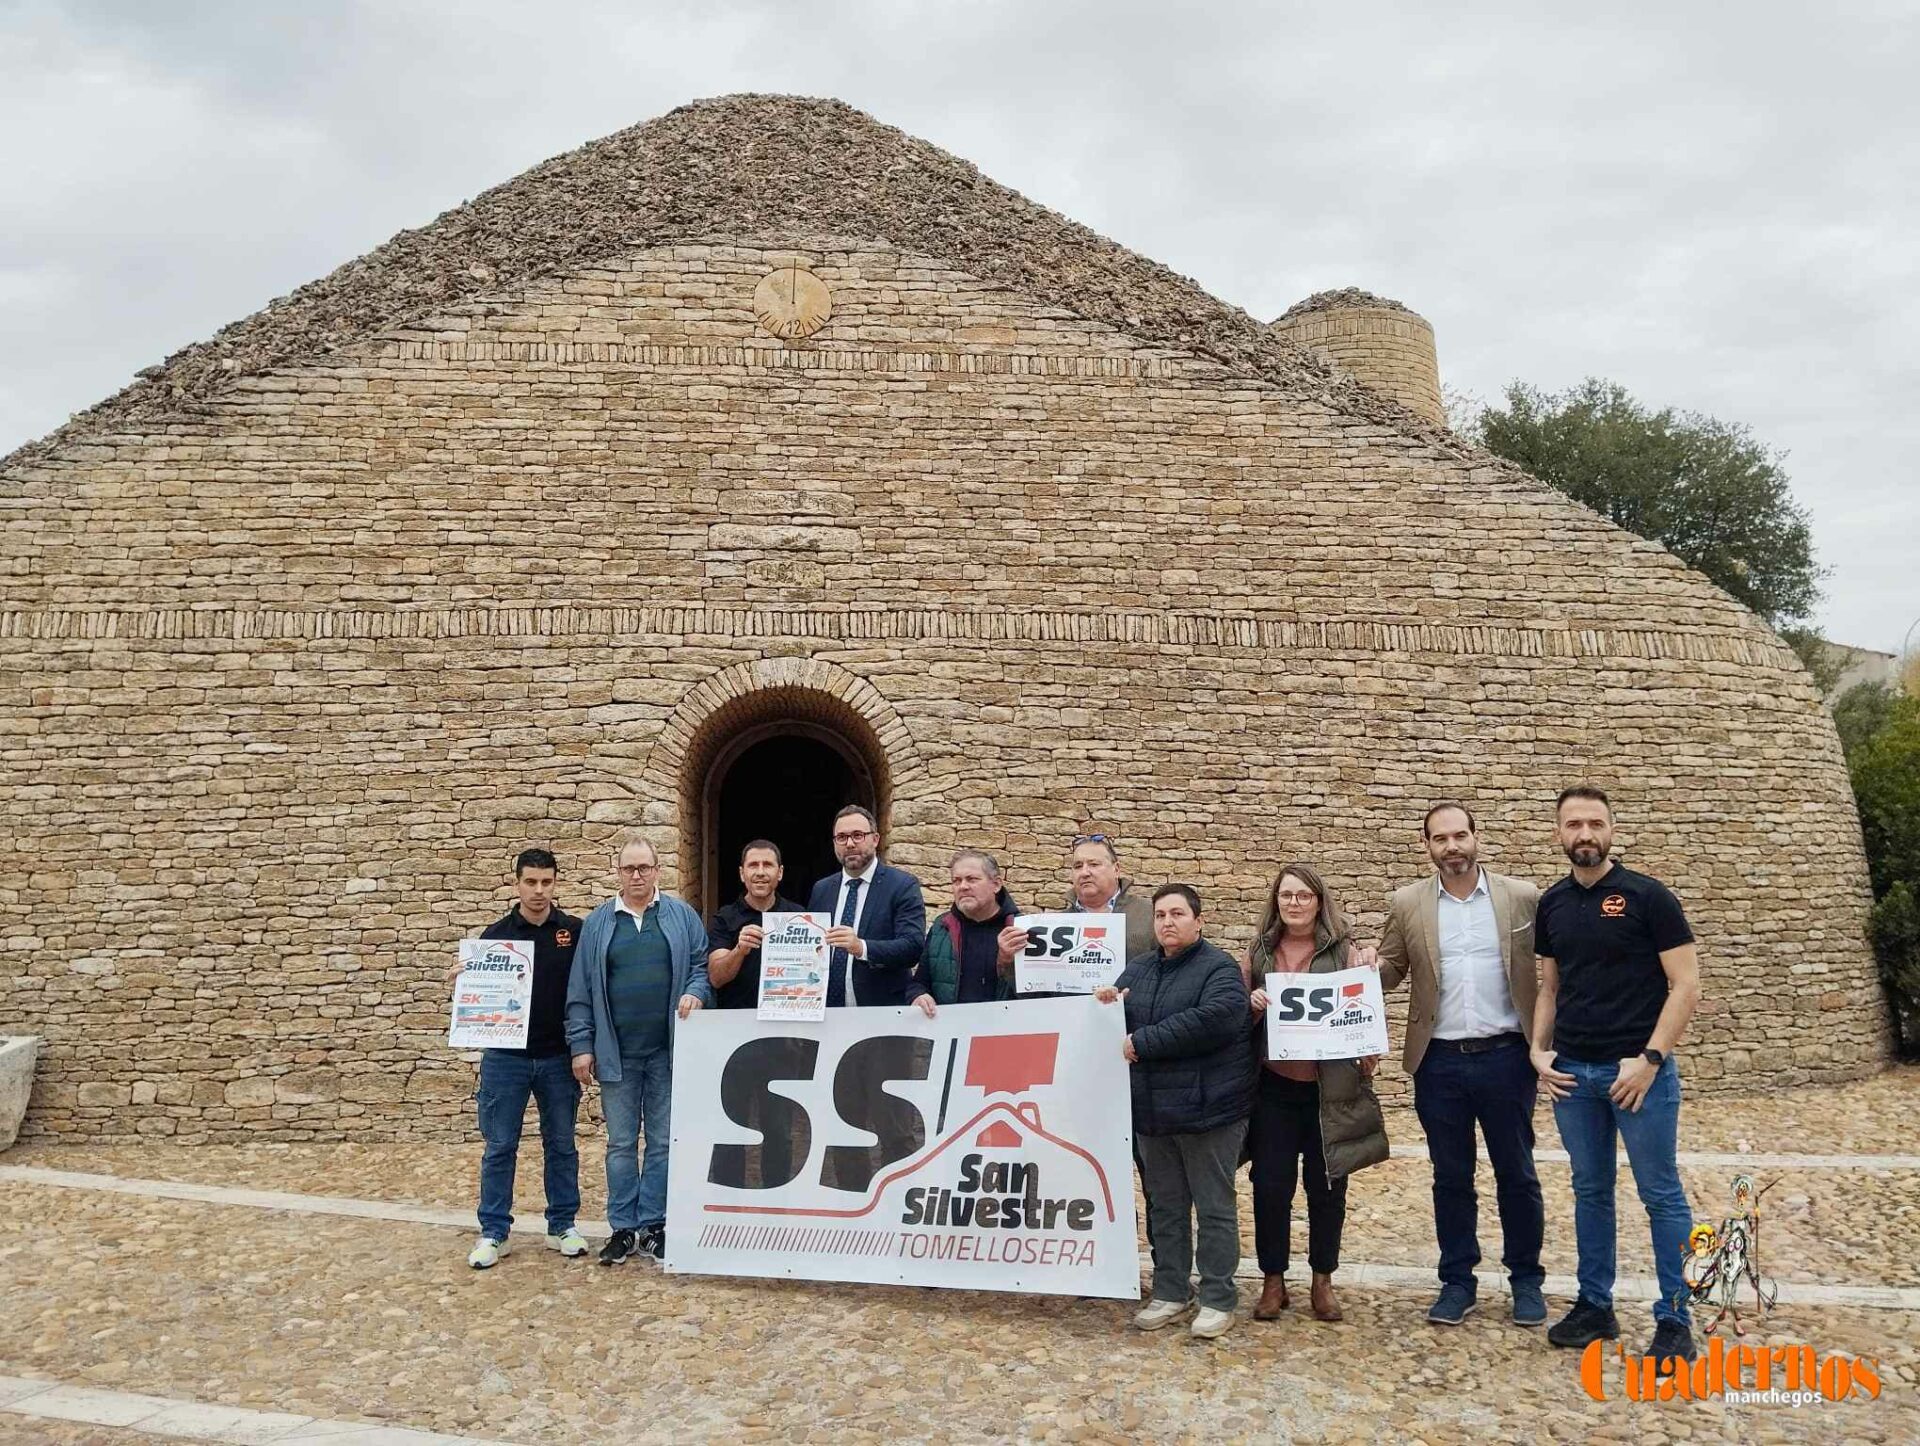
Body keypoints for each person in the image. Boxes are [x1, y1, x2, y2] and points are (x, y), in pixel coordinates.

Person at [1531, 786, 1701, 1374]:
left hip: (1639, 1074)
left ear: (1610, 829)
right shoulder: (1551, 904)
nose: (1585, 833)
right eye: (1574, 824)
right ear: (1558, 832)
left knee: (1661, 1195)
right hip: (1574, 1075)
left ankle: (1676, 1318)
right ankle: (1595, 1306)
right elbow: (1550, 988)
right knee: (1590, 1190)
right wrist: (1537, 1051)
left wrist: (1651, 1060)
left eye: (1595, 823)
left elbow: (1685, 985)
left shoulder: (1648, 897)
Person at [1378, 803, 1546, 1327]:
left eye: (1459, 836)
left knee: (1516, 1173)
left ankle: (1526, 1280)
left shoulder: (1522, 898)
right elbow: (1391, 969)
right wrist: (1362, 970)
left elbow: (1561, 963)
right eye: (1439, 839)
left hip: (1507, 1056)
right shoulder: (1407, 904)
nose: (1451, 847)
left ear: (1475, 837)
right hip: (1440, 1061)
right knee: (1450, 1176)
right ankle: (1457, 1281)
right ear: (1426, 846)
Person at [1093, 884, 1251, 1341]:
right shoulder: (1139, 969)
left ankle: (1219, 1296)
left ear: (1198, 921)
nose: (1167, 922)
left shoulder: (1218, 968)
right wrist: (1106, 1005)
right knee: (1165, 1206)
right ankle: (1170, 1290)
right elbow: (1121, 1016)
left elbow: (1219, 1016)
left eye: (1178, 913)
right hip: (1154, 1112)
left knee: (1214, 1206)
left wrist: (1145, 1042)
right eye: (1160, 915)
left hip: (1209, 1112)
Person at [1242, 863, 1388, 1324]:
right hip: (1275, 1088)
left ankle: (1323, 1279)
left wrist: (1368, 1048)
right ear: (1276, 901)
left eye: (1303, 895)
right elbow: (1233, 1010)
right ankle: (1273, 1280)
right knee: (1270, 1187)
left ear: (1319, 901)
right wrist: (1252, 1005)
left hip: (1329, 1091)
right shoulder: (1260, 953)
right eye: (1286, 895)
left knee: (1327, 1187)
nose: (1294, 903)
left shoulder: (1345, 951)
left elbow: (1363, 1008)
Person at [565, 835, 711, 1265]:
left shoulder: (682, 916)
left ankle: (654, 1225)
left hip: (667, 1053)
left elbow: (701, 967)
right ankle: (622, 1228)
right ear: (618, 872)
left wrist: (696, 993)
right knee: (620, 1145)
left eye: (644, 867)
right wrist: (581, 1045)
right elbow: (580, 990)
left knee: (663, 1143)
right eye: (629, 868)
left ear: (657, 870)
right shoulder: (598, 924)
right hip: (617, 1055)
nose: (636, 875)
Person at [456, 848, 587, 1268]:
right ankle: (494, 1232)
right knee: (499, 1146)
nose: (538, 890)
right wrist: (464, 986)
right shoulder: (494, 937)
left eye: (546, 882)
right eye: (530, 882)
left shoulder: (573, 932)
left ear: (555, 883)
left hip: (557, 1057)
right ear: (517, 884)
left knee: (562, 1144)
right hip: (505, 1059)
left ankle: (562, 1225)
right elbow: (474, 1004)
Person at [805, 804, 928, 1007]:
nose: (850, 843)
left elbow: (912, 947)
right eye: (842, 837)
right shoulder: (822, 889)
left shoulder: (902, 885)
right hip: (824, 1014)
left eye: (858, 835)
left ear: (875, 839)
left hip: (879, 1012)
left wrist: (861, 947)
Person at [912, 849, 1024, 1008]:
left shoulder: (1020, 929)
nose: (962, 886)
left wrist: (1008, 965)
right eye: (956, 881)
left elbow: (1039, 998)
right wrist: (919, 995)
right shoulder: (942, 927)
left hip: (1004, 1030)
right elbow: (919, 983)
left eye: (971, 879)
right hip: (950, 1030)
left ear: (996, 884)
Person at [706, 839, 804, 1011]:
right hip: (737, 1022)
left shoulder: (799, 916)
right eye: (753, 865)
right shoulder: (724, 918)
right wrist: (739, 950)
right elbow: (716, 978)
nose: (760, 872)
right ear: (742, 873)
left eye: (767, 865)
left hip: (788, 1018)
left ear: (780, 872)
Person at [1063, 832, 1156, 962]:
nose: (1084, 872)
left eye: (1094, 864)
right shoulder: (1054, 923)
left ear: (1116, 869)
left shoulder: (1150, 914)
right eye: (1078, 866)